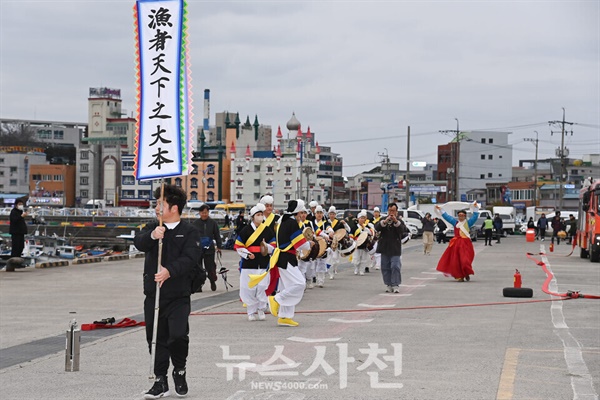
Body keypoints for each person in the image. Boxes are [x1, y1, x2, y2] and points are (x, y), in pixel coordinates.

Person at [133, 185, 202, 399]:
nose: (155, 208)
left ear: (173, 208)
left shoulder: (189, 231)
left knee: (178, 336)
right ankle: (159, 380)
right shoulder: (153, 226)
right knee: (155, 338)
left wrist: (169, 271)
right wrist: (153, 236)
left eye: (159, 204)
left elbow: (191, 259)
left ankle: (179, 370)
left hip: (178, 295)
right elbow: (139, 243)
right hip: (153, 295)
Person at [267, 200, 311, 327]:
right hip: (286, 259)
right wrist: (310, 244)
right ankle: (276, 299)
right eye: (302, 212)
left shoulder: (283, 220)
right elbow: (301, 244)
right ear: (297, 212)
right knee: (300, 283)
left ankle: (284, 317)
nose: (303, 215)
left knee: (288, 287)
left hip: (282, 257)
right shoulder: (292, 223)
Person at [234, 204, 276, 321]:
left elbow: (273, 244)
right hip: (249, 264)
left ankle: (262, 309)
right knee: (249, 288)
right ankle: (251, 311)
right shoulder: (245, 230)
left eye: (261, 214)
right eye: (258, 215)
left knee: (263, 286)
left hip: (263, 263)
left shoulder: (267, 230)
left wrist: (266, 247)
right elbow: (238, 245)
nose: (260, 217)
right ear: (253, 217)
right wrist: (247, 254)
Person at [435, 202, 480, 282]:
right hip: (456, 244)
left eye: (462, 216)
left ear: (465, 216)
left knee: (465, 260)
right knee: (456, 260)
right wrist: (441, 209)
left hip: (465, 244)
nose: (461, 217)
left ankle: (466, 273)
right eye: (459, 216)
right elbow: (447, 217)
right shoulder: (455, 223)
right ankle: (460, 276)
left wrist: (475, 208)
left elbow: (475, 216)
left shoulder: (468, 223)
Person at [374, 203, 410, 293]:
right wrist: (385, 222)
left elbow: (403, 230)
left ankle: (396, 284)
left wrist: (395, 221)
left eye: (393, 211)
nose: (391, 213)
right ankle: (388, 284)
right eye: (390, 210)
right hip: (384, 247)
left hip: (395, 248)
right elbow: (377, 228)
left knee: (395, 266)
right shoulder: (383, 220)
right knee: (385, 267)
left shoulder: (399, 221)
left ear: (396, 211)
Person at [193, 204, 223, 292]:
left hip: (209, 249)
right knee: (198, 268)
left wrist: (219, 246)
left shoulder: (213, 223)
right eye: (202, 213)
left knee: (210, 267)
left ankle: (212, 281)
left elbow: (217, 235)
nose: (204, 214)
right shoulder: (195, 224)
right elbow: (192, 236)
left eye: (206, 213)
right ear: (199, 213)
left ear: (208, 213)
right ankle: (199, 285)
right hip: (198, 249)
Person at [310, 205, 330, 287]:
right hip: (313, 246)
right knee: (312, 264)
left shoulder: (325, 223)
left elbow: (329, 228)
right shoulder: (311, 223)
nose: (319, 214)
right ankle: (312, 279)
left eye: (321, 213)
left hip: (322, 246)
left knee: (322, 263)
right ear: (315, 214)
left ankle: (320, 280)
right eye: (317, 213)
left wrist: (330, 232)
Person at [351, 210, 374, 276]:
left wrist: (365, 228)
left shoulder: (367, 226)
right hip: (357, 244)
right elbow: (351, 235)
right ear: (358, 219)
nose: (362, 220)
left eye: (363, 218)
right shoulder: (354, 227)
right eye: (361, 218)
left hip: (364, 245)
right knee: (356, 258)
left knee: (364, 258)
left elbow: (371, 233)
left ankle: (362, 270)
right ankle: (356, 269)